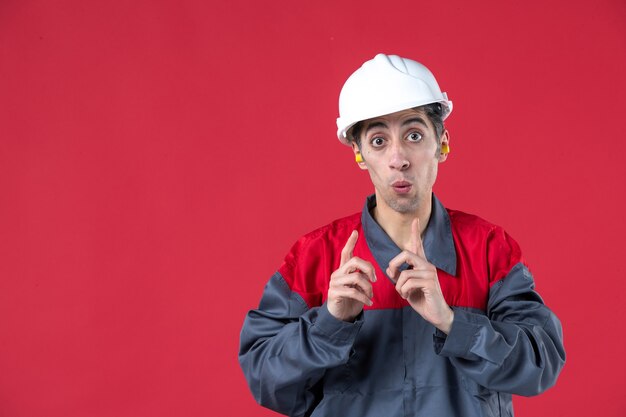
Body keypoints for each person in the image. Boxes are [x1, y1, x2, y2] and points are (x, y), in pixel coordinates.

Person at [238, 53, 565, 417]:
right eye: (378, 141)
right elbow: (264, 378)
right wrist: (330, 324)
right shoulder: (315, 256)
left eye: (413, 135)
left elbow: (541, 364)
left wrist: (452, 323)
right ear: (359, 154)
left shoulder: (489, 249)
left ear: (441, 142)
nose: (399, 158)